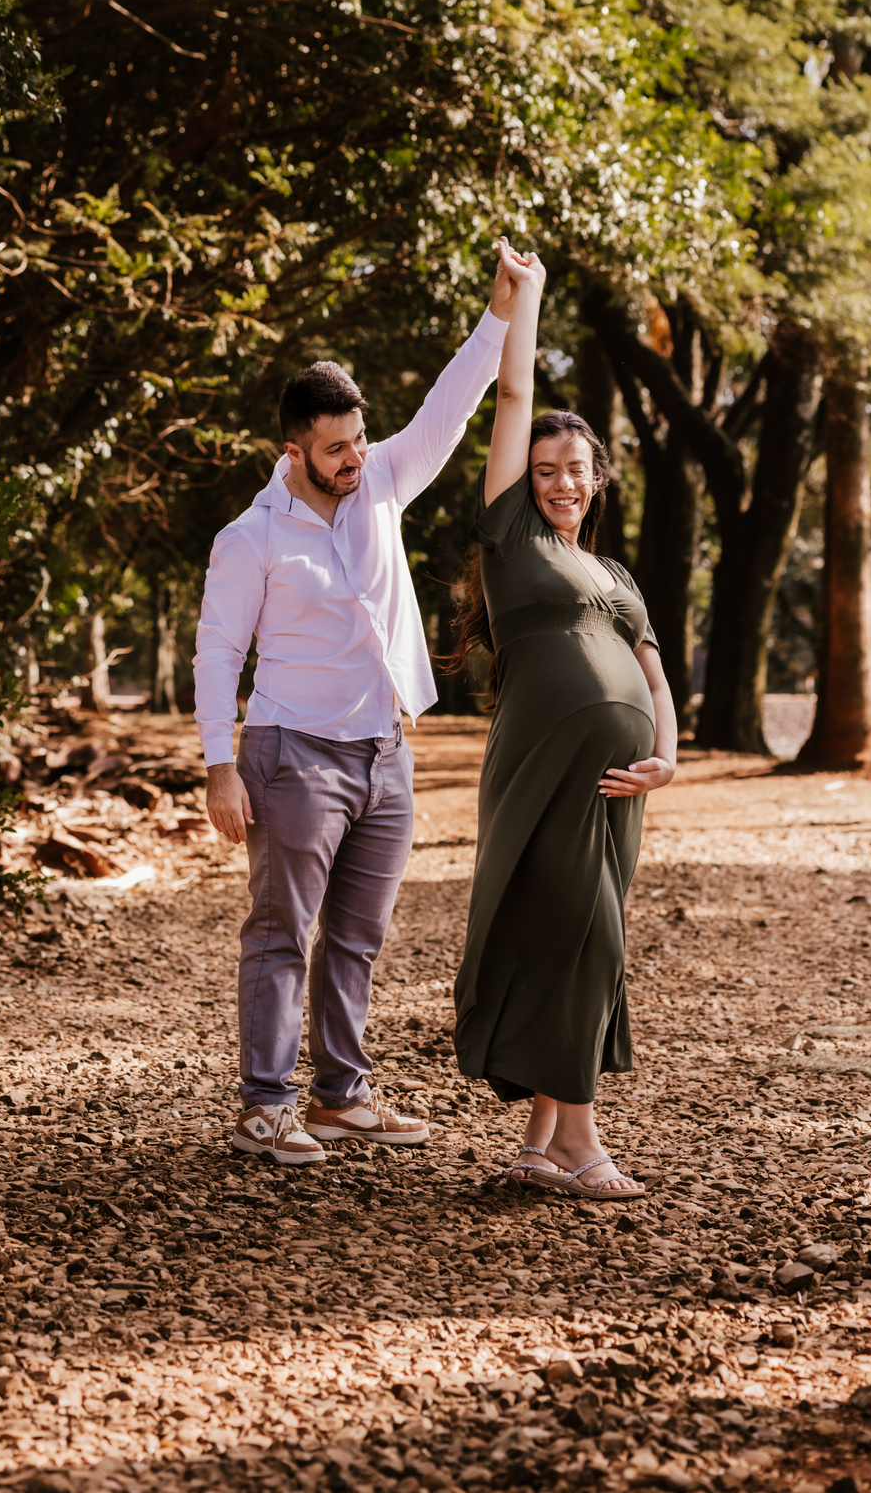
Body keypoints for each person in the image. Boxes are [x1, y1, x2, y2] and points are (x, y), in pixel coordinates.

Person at [194, 266, 518, 1165]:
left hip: (384, 752)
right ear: (294, 450)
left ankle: (341, 1095)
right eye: (336, 447)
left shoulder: (380, 485)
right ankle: (265, 1106)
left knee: (358, 938)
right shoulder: (251, 538)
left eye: (361, 439)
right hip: (292, 754)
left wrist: (497, 317)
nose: (356, 457)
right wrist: (219, 766)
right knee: (280, 935)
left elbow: (450, 408)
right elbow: (217, 655)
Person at [449, 241, 676, 1201]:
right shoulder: (514, 542)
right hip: (543, 770)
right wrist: (525, 298)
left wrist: (668, 756)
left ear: (598, 477)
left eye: (576, 469)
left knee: (578, 936)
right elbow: (512, 398)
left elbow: (653, 673)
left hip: (620, 785)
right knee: (586, 933)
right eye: (546, 470)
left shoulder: (614, 574)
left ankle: (541, 1143)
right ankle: (582, 1143)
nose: (561, 483)